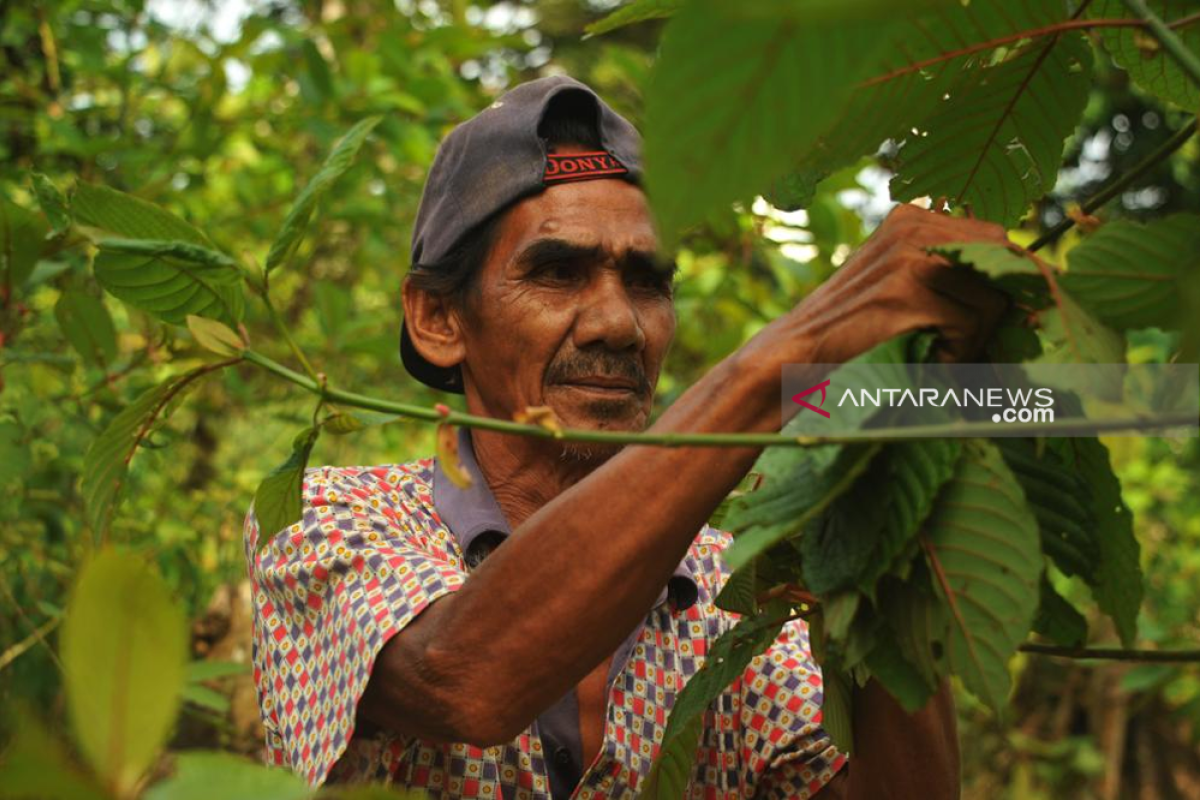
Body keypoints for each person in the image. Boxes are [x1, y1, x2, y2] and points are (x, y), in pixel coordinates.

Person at [245, 75, 1010, 799]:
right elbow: (460, 678)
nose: (619, 324)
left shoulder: (739, 584)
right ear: (439, 320)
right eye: (556, 272)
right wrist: (779, 368)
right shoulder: (324, 517)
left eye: (647, 282)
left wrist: (888, 505)